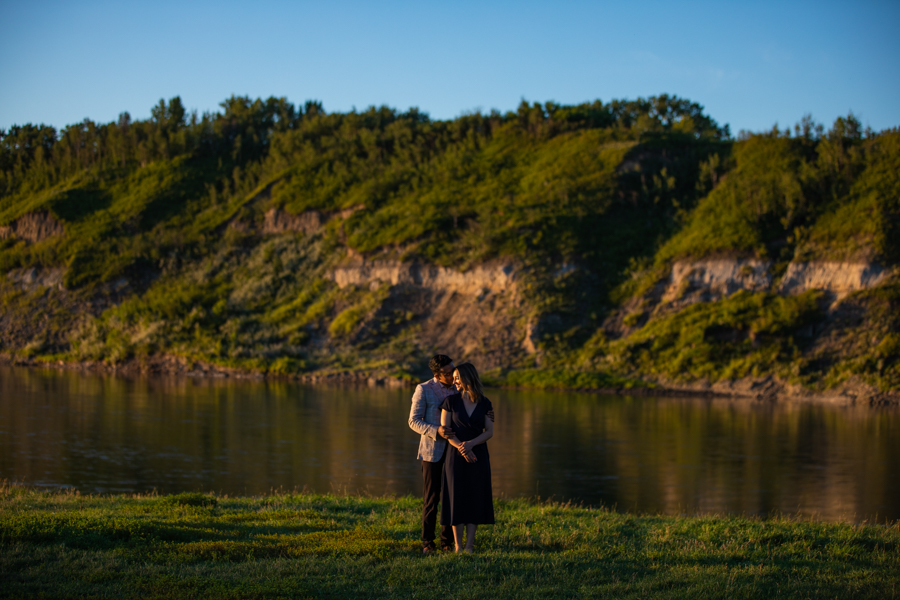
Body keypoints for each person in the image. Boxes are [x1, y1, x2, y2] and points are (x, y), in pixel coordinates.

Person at [439, 362, 494, 553]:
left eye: (457, 378)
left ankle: (469, 546)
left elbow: (489, 432)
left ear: (468, 378)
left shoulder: (485, 403)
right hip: (455, 455)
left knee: (475, 498)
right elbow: (446, 431)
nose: (454, 382)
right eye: (453, 378)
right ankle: (457, 545)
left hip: (478, 455)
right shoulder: (450, 402)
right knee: (456, 498)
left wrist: (471, 444)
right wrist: (463, 448)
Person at [408, 354, 458, 554]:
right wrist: (436, 430)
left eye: (453, 371)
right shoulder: (423, 389)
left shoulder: (459, 387)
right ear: (437, 375)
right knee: (431, 498)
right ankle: (428, 542)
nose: (452, 377)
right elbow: (413, 421)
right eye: (447, 374)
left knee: (451, 497)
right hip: (432, 453)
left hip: (455, 450)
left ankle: (447, 542)